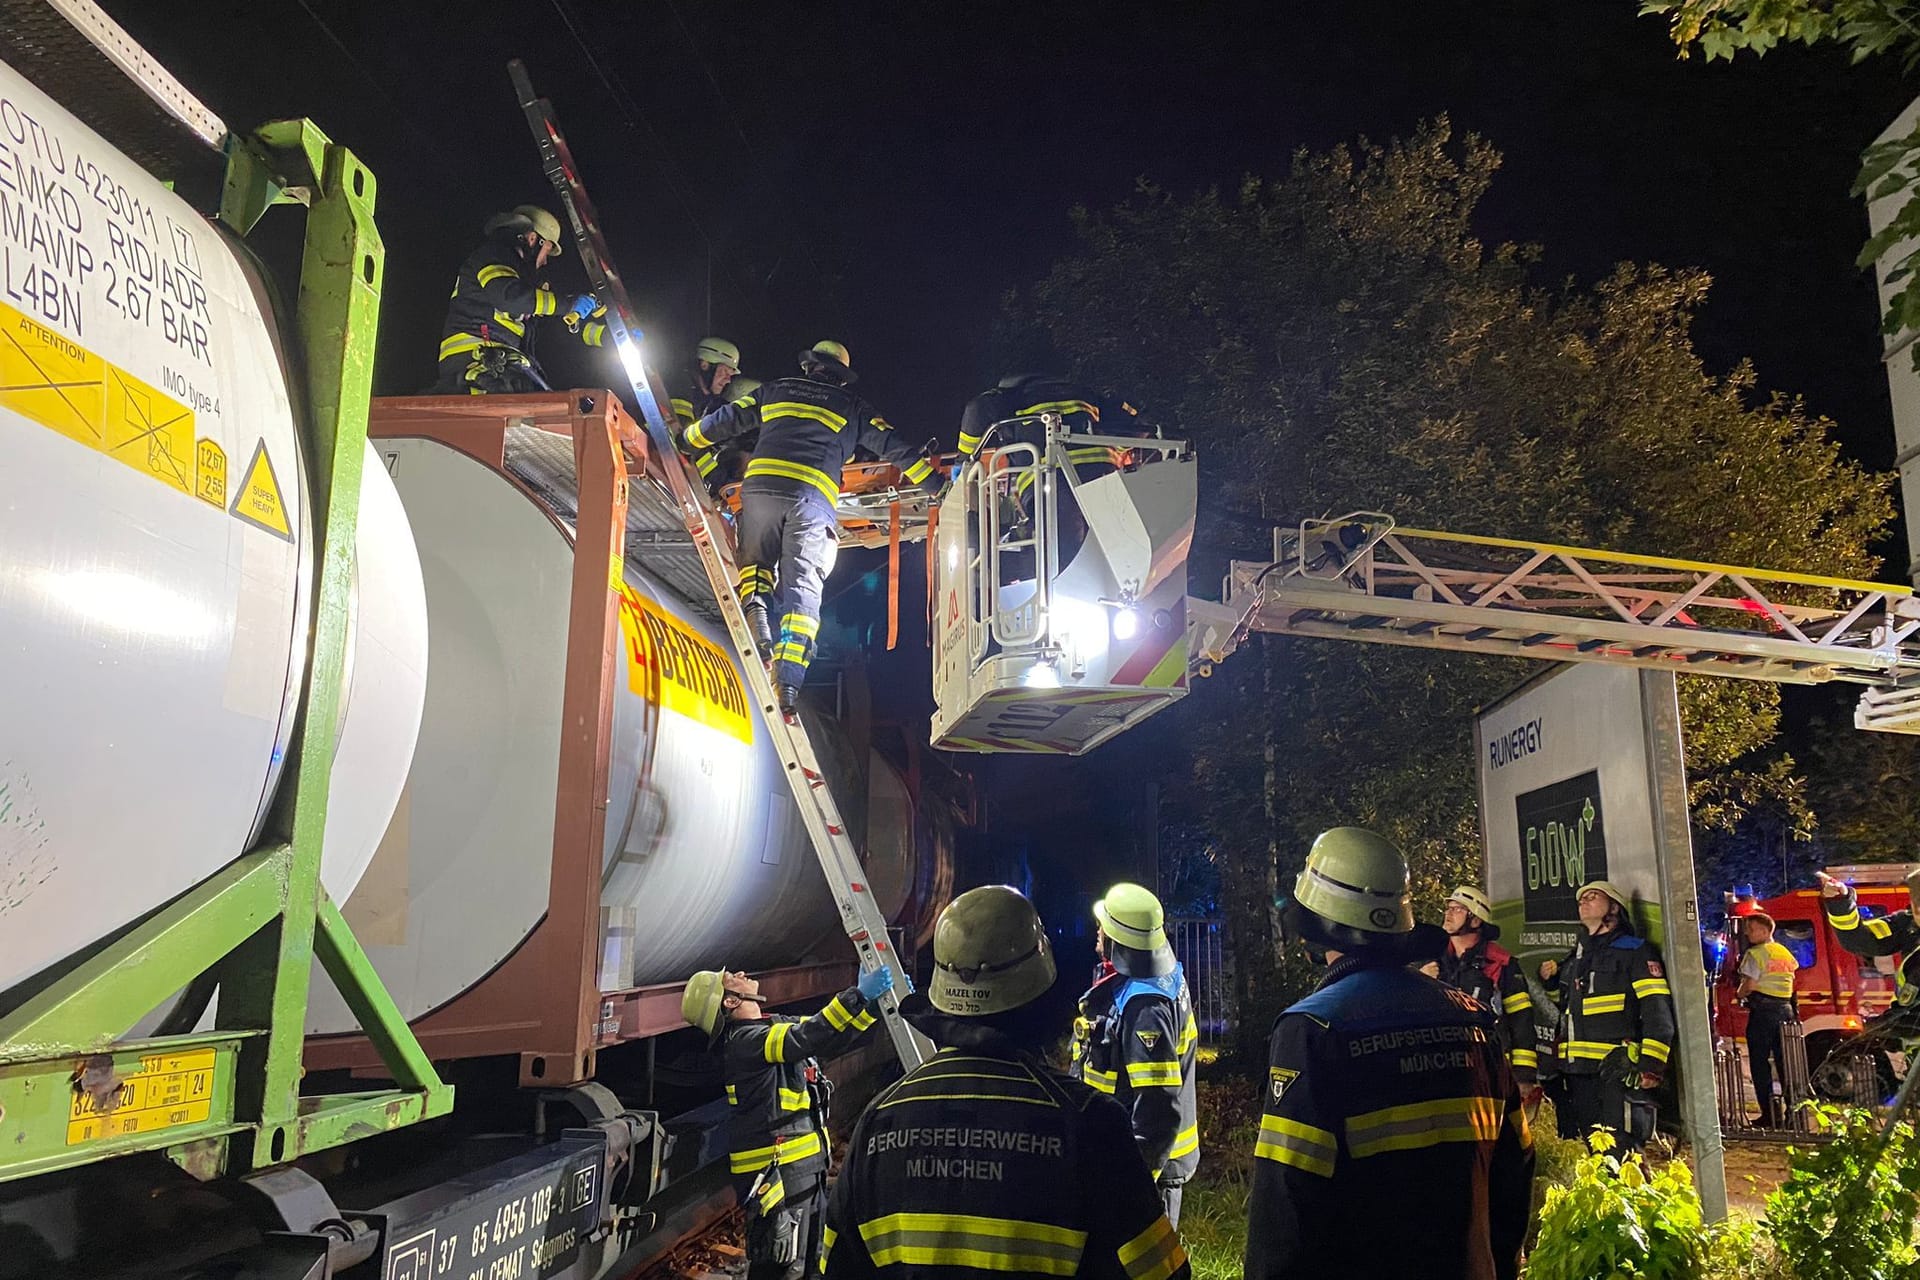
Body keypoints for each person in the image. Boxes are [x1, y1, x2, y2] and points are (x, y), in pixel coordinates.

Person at [822, 885, 1188, 1279]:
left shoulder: (878, 1121)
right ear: (1042, 986)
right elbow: (1161, 1274)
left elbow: (836, 1266)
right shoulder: (1091, 1124)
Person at [1246, 828, 1533, 1280]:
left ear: (1315, 929)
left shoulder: (1314, 1028)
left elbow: (1286, 1205)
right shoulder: (1475, 1020)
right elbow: (1513, 1169)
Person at [684, 341, 938, 711]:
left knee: (756, 564)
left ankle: (757, 616)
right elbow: (896, 449)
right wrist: (938, 487)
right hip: (810, 501)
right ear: (842, 377)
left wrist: (684, 440)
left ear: (810, 368)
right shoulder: (852, 407)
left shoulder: (776, 389)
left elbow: (724, 421)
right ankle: (788, 683)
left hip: (760, 491)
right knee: (802, 587)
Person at [682, 964, 895, 1280]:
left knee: (809, 1266)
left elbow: (827, 1038)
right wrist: (856, 994)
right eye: (730, 978)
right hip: (778, 1177)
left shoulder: (771, 1028)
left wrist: (870, 1008)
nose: (741, 973)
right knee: (783, 1270)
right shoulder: (747, 1041)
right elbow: (806, 1037)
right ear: (729, 1001)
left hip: (803, 1169)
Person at [1068, 883, 1202, 1224]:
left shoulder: (1145, 1007)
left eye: (1104, 926)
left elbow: (1158, 1107)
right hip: (1124, 1153)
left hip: (1143, 1165)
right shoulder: (1151, 979)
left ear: (1118, 940)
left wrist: (1137, 1178)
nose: (1098, 931)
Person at [1536, 880, 1676, 1152]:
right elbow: (1568, 1007)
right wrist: (1550, 981)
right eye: (1580, 899)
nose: (1583, 901)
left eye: (1592, 897)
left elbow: (1656, 1011)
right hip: (1577, 1073)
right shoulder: (1576, 958)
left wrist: (1650, 1066)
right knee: (1593, 1154)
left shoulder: (1635, 951)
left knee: (1621, 1154)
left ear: (1614, 908)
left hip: (1617, 1071)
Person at [433, 206, 605, 394]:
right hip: (475, 359)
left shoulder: (520, 282)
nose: (545, 262)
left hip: (497, 361)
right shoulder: (494, 255)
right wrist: (568, 304)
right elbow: (510, 297)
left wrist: (604, 333)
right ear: (533, 239)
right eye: (546, 251)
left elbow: (550, 330)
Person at [1437, 885, 1540, 1091]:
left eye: (1458, 909)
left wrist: (1523, 1078)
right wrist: (1422, 979)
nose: (1448, 913)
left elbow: (1522, 1022)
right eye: (1448, 908)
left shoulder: (1501, 963)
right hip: (1440, 1067)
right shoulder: (1430, 959)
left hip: (1489, 1069)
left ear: (1475, 920)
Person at [1734, 911, 1800, 1127]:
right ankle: (1795, 1115)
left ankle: (1770, 1116)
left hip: (1763, 1012)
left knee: (1760, 1064)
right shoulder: (1784, 953)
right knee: (1786, 1065)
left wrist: (1739, 993)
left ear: (1764, 931)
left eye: (1751, 929)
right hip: (1786, 1010)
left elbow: (1750, 985)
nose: (1747, 933)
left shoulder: (1755, 954)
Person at [670, 337, 746, 491]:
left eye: (731, 375)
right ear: (705, 365)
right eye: (724, 372)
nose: (727, 380)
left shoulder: (706, 402)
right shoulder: (681, 384)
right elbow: (683, 437)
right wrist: (721, 484)